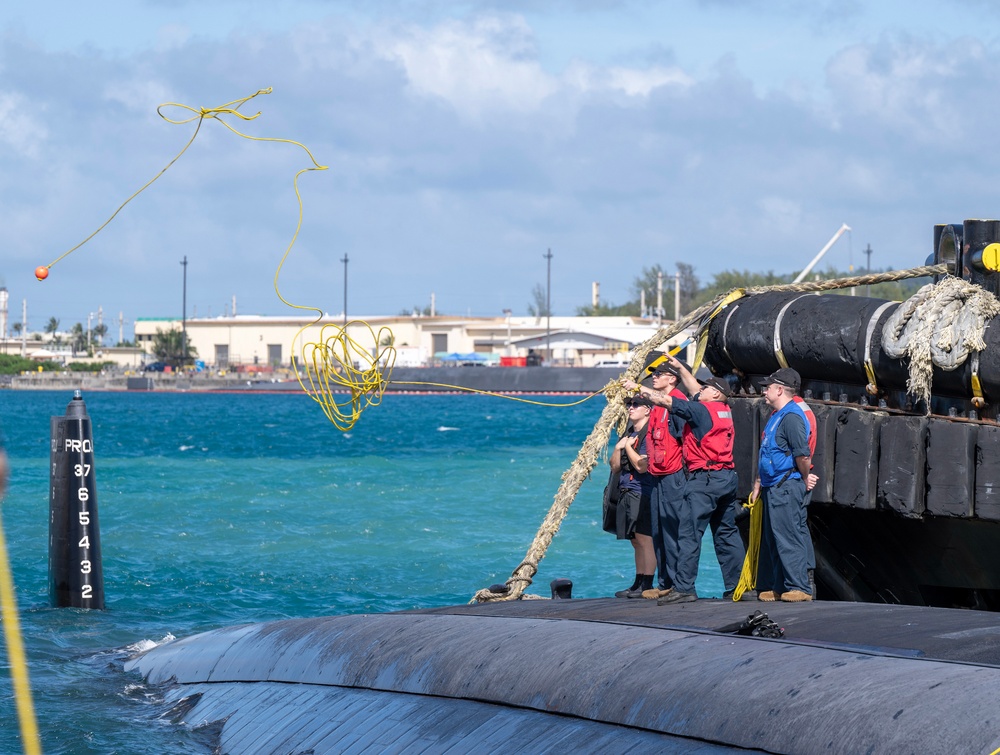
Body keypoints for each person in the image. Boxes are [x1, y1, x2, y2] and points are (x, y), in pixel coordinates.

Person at [631, 357, 747, 603]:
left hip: (704, 479)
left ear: (715, 393)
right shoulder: (723, 410)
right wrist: (682, 368)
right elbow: (694, 390)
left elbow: (665, 400)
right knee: (726, 533)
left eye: (705, 388)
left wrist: (636, 387)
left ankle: (684, 588)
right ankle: (737, 587)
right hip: (727, 476)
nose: (699, 390)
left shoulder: (700, 410)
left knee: (688, 533)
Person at [621, 358, 689, 600]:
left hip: (674, 475)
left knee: (673, 530)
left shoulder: (677, 403)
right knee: (659, 532)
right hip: (658, 475)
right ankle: (664, 582)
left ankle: (680, 584)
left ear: (672, 378)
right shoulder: (658, 406)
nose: (654, 377)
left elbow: (686, 439)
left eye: (659, 374)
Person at [753, 367, 817, 602]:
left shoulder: (790, 417)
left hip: (786, 485)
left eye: (767, 387)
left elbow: (803, 454)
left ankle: (799, 586)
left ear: (780, 390)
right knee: (774, 537)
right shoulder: (776, 416)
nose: (764, 391)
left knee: (788, 536)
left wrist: (802, 477)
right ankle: (779, 586)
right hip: (773, 486)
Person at [609, 395, 656, 598]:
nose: (631, 408)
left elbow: (641, 466)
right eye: (629, 404)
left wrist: (627, 446)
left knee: (646, 538)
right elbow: (615, 466)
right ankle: (638, 581)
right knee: (635, 540)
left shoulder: (648, 434)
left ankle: (648, 584)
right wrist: (619, 448)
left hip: (642, 490)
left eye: (636, 405)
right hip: (626, 490)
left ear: (647, 410)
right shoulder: (629, 433)